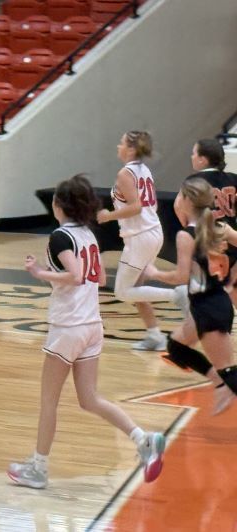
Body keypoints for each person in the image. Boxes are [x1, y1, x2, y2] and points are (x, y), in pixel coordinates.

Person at [9, 175, 166, 489]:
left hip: (69, 326)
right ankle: (142, 438)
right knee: (90, 398)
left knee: (49, 402)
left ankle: (38, 468)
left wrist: (39, 272)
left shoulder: (59, 236)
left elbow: (77, 274)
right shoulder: (88, 235)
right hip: (92, 325)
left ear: (59, 205)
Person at [145, 177, 237, 415]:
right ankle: (219, 384)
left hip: (209, 307)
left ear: (185, 200)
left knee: (230, 374)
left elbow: (181, 277)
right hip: (211, 303)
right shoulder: (220, 228)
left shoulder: (186, 235)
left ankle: (223, 383)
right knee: (176, 347)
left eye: (179, 195)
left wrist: (155, 273)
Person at [96, 131, 185, 351]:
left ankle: (177, 295)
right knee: (137, 288)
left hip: (140, 237)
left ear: (132, 149)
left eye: (122, 143)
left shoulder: (125, 174)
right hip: (152, 232)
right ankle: (155, 335)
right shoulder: (143, 170)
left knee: (122, 292)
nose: (118, 146)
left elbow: (136, 206)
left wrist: (108, 216)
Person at [179, 138, 237, 307]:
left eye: (193, 153)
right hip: (231, 240)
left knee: (203, 293)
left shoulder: (194, 180)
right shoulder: (233, 179)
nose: (191, 157)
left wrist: (188, 227)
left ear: (202, 159)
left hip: (207, 242)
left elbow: (178, 206)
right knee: (232, 290)